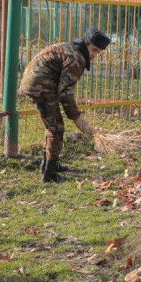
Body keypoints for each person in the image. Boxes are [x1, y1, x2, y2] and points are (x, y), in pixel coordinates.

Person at [20, 28, 111, 182]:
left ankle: (49, 164)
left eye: (98, 52)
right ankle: (49, 174)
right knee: (56, 128)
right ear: (86, 44)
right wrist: (77, 118)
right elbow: (65, 92)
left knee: (52, 126)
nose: (94, 55)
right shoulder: (76, 58)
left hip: (37, 82)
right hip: (40, 86)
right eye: (93, 50)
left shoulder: (72, 48)